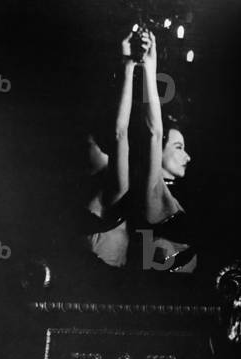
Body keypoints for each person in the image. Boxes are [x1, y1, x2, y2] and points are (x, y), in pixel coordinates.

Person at [79, 30, 142, 268]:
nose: (81, 149)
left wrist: (128, 65)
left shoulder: (113, 188)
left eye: (88, 144)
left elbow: (120, 132)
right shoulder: (81, 187)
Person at [134, 31, 196, 273]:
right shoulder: (153, 190)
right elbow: (155, 132)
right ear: (157, 152)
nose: (187, 157)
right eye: (178, 148)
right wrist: (151, 67)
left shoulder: (172, 195)